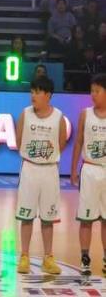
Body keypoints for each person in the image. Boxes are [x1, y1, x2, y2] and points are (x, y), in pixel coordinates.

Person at [15, 76, 67, 275]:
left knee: (48, 218)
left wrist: (46, 156)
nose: (33, 95)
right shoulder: (25, 114)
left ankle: (48, 257)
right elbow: (19, 141)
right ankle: (24, 256)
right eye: (32, 91)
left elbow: (61, 143)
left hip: (49, 170)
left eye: (37, 92)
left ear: (48, 95)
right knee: (26, 216)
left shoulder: (58, 117)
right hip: (29, 168)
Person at [70, 74, 106, 276]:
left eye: (97, 91)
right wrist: (73, 170)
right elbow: (78, 142)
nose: (93, 94)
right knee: (86, 218)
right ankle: (85, 257)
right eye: (92, 90)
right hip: (90, 169)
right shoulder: (85, 114)